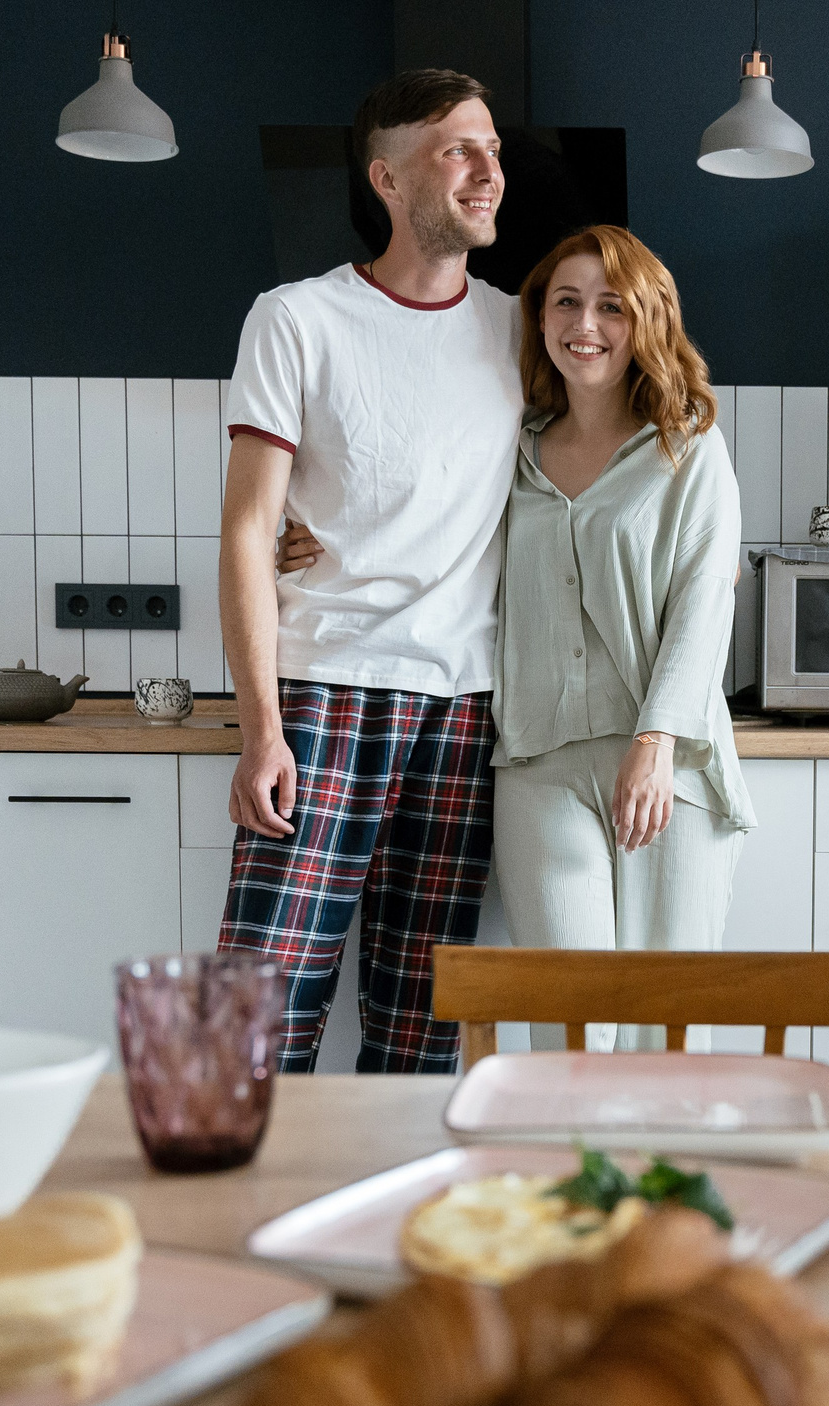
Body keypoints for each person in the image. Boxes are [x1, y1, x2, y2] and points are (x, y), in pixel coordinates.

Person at [213, 69, 521, 1073]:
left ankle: (403, 1227)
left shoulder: (525, 330)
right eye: (459, 150)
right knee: (257, 1023)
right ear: (387, 178)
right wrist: (261, 727)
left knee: (422, 1035)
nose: (488, 172)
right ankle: (231, 1225)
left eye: (493, 150)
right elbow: (248, 530)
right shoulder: (296, 318)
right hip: (322, 696)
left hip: (464, 710)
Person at [488, 225, 753, 1049]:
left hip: (666, 765)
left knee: (664, 1025)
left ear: (646, 321)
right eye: (565, 302)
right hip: (539, 764)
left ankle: (662, 1180)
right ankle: (572, 1181)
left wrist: (656, 737)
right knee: (571, 1026)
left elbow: (705, 598)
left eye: (611, 306)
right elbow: (426, 535)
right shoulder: (510, 452)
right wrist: (310, 540)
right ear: (539, 320)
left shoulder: (688, 447)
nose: (585, 324)